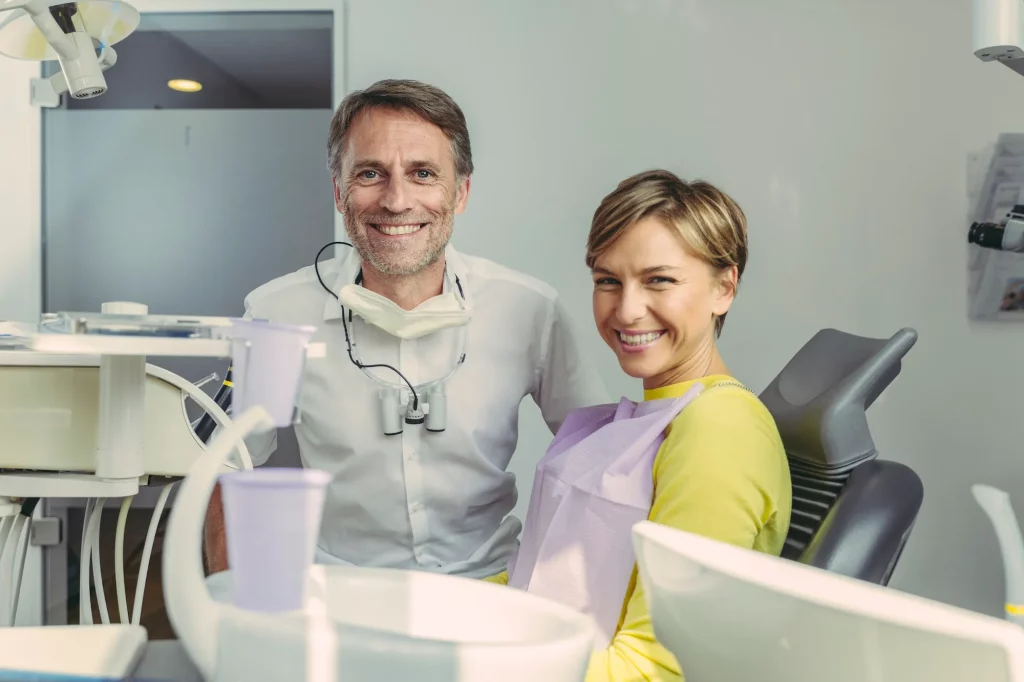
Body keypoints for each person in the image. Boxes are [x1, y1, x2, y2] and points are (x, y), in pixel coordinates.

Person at [203, 79, 607, 578]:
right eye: (370, 173)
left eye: (422, 173)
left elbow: (598, 460)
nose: (396, 201)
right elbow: (224, 462)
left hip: (490, 589)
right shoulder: (277, 313)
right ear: (338, 191)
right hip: (340, 590)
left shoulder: (528, 310)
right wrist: (225, 606)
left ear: (460, 193)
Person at [488, 169, 793, 681]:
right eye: (608, 281)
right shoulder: (647, 417)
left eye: (660, 280)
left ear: (724, 288)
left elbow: (655, 670)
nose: (627, 311)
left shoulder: (721, 430)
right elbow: (538, 578)